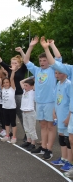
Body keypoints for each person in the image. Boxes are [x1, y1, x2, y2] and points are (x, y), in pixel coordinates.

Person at [24, 36, 61, 160]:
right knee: (43, 125)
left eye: (44, 60)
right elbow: (26, 60)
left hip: (50, 102)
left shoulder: (53, 69)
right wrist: (31, 46)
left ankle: (49, 149)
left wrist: (50, 46)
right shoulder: (37, 70)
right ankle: (43, 147)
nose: (42, 62)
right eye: (41, 61)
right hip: (39, 102)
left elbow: (58, 57)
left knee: (50, 126)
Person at [41, 38, 73, 177]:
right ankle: (65, 158)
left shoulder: (68, 83)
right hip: (62, 115)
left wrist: (68, 116)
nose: (57, 74)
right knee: (65, 138)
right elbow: (55, 63)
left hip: (68, 115)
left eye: (60, 72)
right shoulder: (61, 81)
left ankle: (70, 162)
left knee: (69, 139)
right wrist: (47, 48)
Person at [0, 47, 28, 140]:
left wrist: (22, 51)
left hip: (18, 95)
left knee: (20, 115)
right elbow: (1, 62)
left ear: (19, 64)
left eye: (15, 63)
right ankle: (8, 133)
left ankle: (27, 134)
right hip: (9, 95)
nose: (13, 64)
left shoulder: (22, 69)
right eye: (12, 62)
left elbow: (26, 60)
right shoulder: (10, 70)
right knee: (8, 115)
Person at [0, 65, 18, 144]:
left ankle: (14, 137)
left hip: (12, 108)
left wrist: (13, 71)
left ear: (9, 83)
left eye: (7, 82)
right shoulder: (3, 89)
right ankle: (7, 135)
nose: (5, 84)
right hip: (5, 108)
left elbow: (11, 79)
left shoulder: (12, 89)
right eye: (4, 83)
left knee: (13, 123)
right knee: (6, 123)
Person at [19, 77, 38, 151]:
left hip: (31, 113)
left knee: (31, 128)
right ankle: (28, 141)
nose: (25, 87)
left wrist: (35, 78)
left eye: (27, 85)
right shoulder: (24, 91)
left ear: (32, 86)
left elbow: (36, 84)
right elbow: (21, 81)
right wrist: (30, 78)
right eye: (25, 85)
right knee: (26, 128)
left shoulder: (33, 91)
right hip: (24, 112)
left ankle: (33, 143)